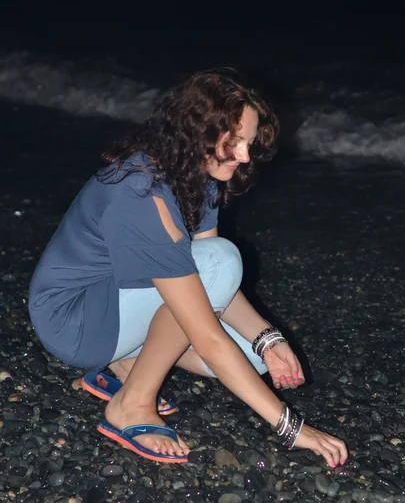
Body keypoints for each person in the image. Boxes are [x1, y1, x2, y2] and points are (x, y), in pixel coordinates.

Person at [29, 68, 348, 467]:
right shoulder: (142, 192)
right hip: (73, 320)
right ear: (197, 132)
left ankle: (126, 361)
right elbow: (211, 295)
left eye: (249, 143)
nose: (246, 156)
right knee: (221, 266)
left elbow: (214, 283)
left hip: (114, 301)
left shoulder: (196, 176)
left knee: (252, 358)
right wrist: (293, 428)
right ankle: (132, 403)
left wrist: (269, 338)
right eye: (234, 142)